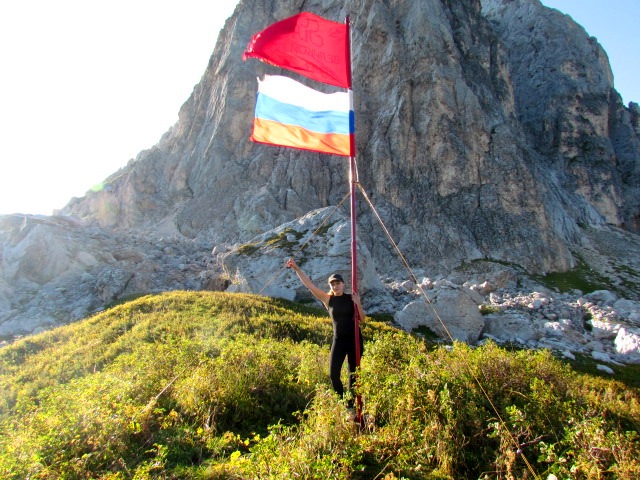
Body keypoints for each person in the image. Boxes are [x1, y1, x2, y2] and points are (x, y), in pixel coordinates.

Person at [286, 258, 365, 406]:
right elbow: (309, 285)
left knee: (353, 376)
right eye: (332, 284)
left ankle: (351, 406)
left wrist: (358, 303)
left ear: (343, 284)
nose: (335, 286)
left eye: (338, 283)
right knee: (333, 375)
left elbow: (363, 319)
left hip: (354, 340)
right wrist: (297, 269)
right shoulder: (328, 299)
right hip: (339, 341)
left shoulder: (351, 298)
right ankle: (343, 402)